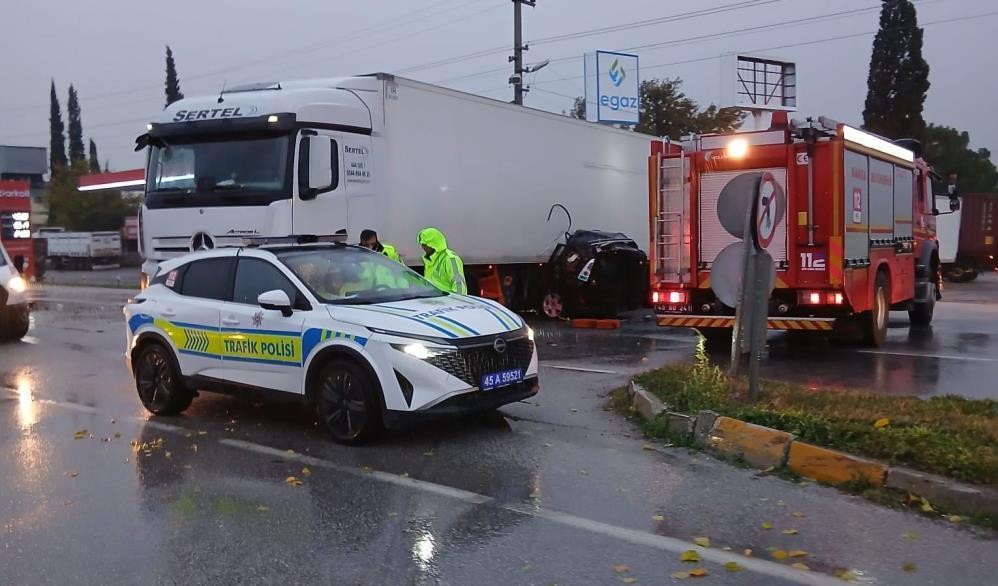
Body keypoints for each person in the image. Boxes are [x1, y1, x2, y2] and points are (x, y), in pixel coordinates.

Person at [417, 227, 467, 294]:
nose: (423, 247)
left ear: (433, 244)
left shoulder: (451, 259)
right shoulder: (429, 260)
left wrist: (455, 303)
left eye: (425, 244)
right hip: (436, 302)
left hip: (448, 302)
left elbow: (459, 287)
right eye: (422, 244)